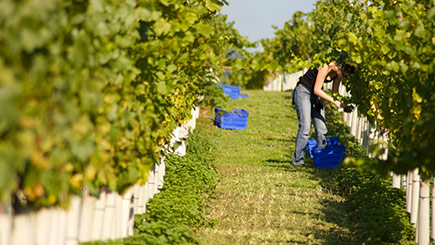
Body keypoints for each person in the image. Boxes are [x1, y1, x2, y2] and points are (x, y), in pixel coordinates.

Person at [292, 61, 355, 165]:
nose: (343, 77)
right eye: (343, 74)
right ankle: (298, 160)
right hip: (303, 91)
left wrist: (343, 105)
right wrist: (334, 102)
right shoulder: (324, 66)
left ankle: (320, 157)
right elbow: (317, 89)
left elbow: (335, 93)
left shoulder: (338, 74)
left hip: (315, 96)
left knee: (321, 127)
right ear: (339, 67)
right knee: (305, 127)